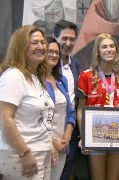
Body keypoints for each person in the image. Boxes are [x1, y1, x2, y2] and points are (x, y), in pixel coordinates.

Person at [0, 25, 54, 179]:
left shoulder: (35, 77)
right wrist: (24, 153)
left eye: (42, 42)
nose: (41, 47)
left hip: (38, 152)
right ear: (21, 47)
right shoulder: (14, 76)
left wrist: (48, 145)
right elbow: (3, 118)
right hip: (18, 154)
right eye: (34, 43)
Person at [77, 33, 119, 180]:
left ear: (116, 50)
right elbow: (80, 109)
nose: (109, 49)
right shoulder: (86, 76)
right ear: (98, 51)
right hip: (95, 135)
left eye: (112, 46)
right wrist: (84, 136)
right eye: (104, 47)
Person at [52, 19, 82, 180]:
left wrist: (69, 134)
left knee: (65, 172)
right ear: (54, 37)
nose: (68, 43)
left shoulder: (76, 66)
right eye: (64, 38)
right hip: (49, 130)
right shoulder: (46, 66)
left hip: (70, 131)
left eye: (72, 39)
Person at [44, 37, 76, 180]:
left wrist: (66, 139)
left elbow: (71, 112)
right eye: (50, 51)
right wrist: (52, 141)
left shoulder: (61, 80)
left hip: (62, 145)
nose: (54, 55)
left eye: (56, 52)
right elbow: (35, 117)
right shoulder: (34, 80)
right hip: (44, 145)